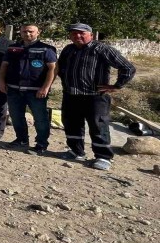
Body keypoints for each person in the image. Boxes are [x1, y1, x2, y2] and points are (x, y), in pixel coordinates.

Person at [57, 23, 135, 170]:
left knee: (98, 126)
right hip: (71, 95)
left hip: (95, 97)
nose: (77, 36)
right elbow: (59, 68)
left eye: (82, 33)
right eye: (74, 33)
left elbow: (128, 67)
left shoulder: (102, 49)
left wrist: (116, 86)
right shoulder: (68, 49)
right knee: (71, 123)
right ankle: (76, 151)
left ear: (91, 35)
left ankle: (103, 157)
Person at [0, 24, 57, 155]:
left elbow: (53, 69)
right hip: (14, 89)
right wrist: (1, 82)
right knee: (16, 116)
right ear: (20, 32)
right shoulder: (13, 48)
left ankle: (41, 144)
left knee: (40, 119)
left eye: (31, 31)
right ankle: (21, 140)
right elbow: (4, 66)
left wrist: (45, 87)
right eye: (24, 31)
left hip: (36, 91)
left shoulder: (46, 49)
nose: (27, 34)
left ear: (38, 32)